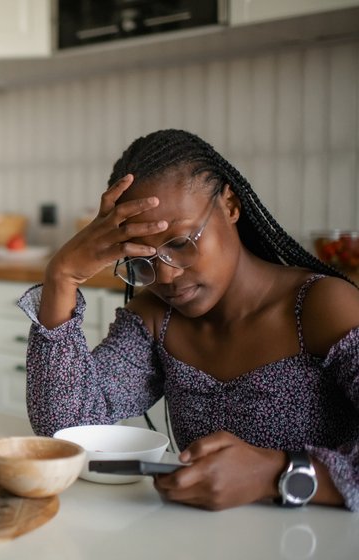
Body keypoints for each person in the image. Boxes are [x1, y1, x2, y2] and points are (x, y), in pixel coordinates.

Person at [19, 129, 359, 512]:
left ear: (229, 205)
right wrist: (61, 276)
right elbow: (67, 428)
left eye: (180, 244)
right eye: (141, 259)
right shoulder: (156, 318)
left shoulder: (321, 307)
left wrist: (274, 474)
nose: (165, 277)